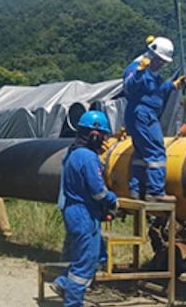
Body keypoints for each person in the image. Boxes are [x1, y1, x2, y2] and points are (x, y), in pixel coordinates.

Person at [53, 110, 118, 307]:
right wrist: (113, 199)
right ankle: (72, 302)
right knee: (84, 263)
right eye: (103, 136)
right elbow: (97, 191)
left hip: (74, 210)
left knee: (88, 254)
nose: (104, 141)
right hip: (84, 214)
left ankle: (63, 283)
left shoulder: (72, 153)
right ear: (95, 134)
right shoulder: (89, 157)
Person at [122, 35, 186, 202]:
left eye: (164, 62)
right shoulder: (136, 68)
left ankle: (138, 190)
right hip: (142, 115)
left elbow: (154, 90)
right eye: (160, 60)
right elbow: (129, 87)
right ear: (152, 55)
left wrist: (173, 85)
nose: (162, 64)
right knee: (156, 152)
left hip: (144, 115)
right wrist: (138, 72)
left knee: (142, 154)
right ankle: (156, 192)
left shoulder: (152, 72)